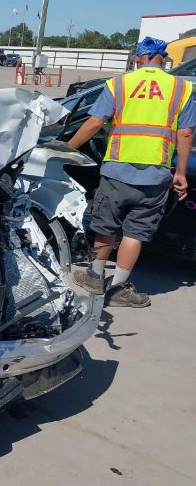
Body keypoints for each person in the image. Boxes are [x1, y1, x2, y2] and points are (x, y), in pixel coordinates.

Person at [69, 36, 194, 307]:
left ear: (140, 57)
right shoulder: (181, 88)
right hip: (155, 175)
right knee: (134, 233)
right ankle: (118, 290)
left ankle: (94, 275)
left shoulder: (119, 84)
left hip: (116, 170)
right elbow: (185, 133)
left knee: (106, 225)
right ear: (163, 58)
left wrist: (66, 148)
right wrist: (180, 172)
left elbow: (93, 124)